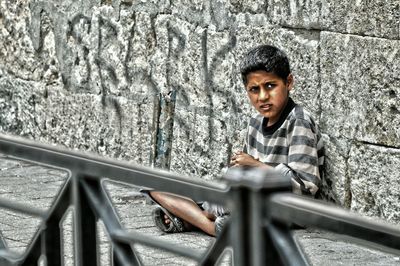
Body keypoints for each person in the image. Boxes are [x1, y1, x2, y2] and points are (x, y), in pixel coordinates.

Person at [144, 44, 324, 237]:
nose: (262, 96)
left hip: (283, 208)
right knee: (155, 187)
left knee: (232, 213)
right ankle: (204, 218)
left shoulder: (298, 121)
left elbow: (305, 189)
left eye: (270, 86)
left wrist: (255, 165)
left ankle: (196, 220)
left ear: (288, 82)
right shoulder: (255, 122)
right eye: (254, 89)